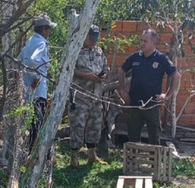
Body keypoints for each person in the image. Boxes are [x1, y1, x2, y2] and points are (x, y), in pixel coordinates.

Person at [117, 29, 180, 145]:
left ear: (153, 42)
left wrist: (167, 95)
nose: (142, 44)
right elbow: (121, 71)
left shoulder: (161, 59)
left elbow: (176, 75)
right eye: (141, 40)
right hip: (135, 103)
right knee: (133, 138)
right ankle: (133, 162)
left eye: (145, 41)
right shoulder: (135, 57)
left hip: (152, 104)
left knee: (154, 139)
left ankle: (153, 162)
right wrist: (123, 90)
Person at [69, 25, 109, 168]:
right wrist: (87, 76)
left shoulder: (98, 51)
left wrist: (103, 74)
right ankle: (74, 157)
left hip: (96, 96)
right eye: (91, 39)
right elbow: (69, 69)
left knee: (95, 126)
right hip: (80, 96)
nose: (93, 42)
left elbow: (105, 67)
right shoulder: (75, 50)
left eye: (95, 39)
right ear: (84, 36)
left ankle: (92, 154)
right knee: (77, 126)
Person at [17, 14, 56, 152]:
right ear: (44, 29)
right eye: (49, 29)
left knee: (33, 122)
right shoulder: (41, 43)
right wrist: (36, 76)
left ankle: (31, 151)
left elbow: (19, 59)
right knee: (38, 123)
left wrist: (27, 78)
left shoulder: (30, 41)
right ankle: (35, 153)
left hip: (29, 89)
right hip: (38, 90)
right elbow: (33, 61)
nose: (49, 32)